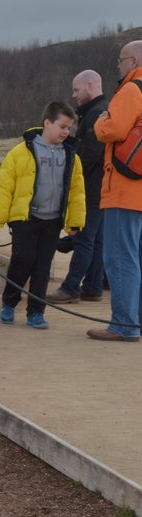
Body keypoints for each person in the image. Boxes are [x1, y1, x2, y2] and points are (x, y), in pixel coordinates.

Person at [0, 100, 85, 329]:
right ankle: (9, 303)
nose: (66, 132)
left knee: (43, 268)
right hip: (26, 219)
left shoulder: (71, 155)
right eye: (62, 126)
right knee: (22, 261)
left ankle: (36, 312)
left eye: (69, 128)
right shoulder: (20, 152)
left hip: (52, 221)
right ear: (47, 123)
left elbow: (76, 191)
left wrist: (75, 222)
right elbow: (5, 185)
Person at [87, 40, 142, 342]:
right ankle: (135, 321)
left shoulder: (132, 90)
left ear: (132, 61)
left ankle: (123, 325)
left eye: (120, 61)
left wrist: (99, 121)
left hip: (124, 189)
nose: (118, 67)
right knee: (137, 258)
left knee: (121, 257)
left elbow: (113, 130)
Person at [47, 70, 107, 303]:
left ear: (90, 85)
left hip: (90, 188)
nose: (74, 95)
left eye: (76, 90)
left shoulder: (94, 115)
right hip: (101, 186)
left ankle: (71, 288)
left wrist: (69, 175)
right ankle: (92, 286)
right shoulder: (101, 111)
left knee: (83, 239)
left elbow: (90, 153)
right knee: (96, 240)